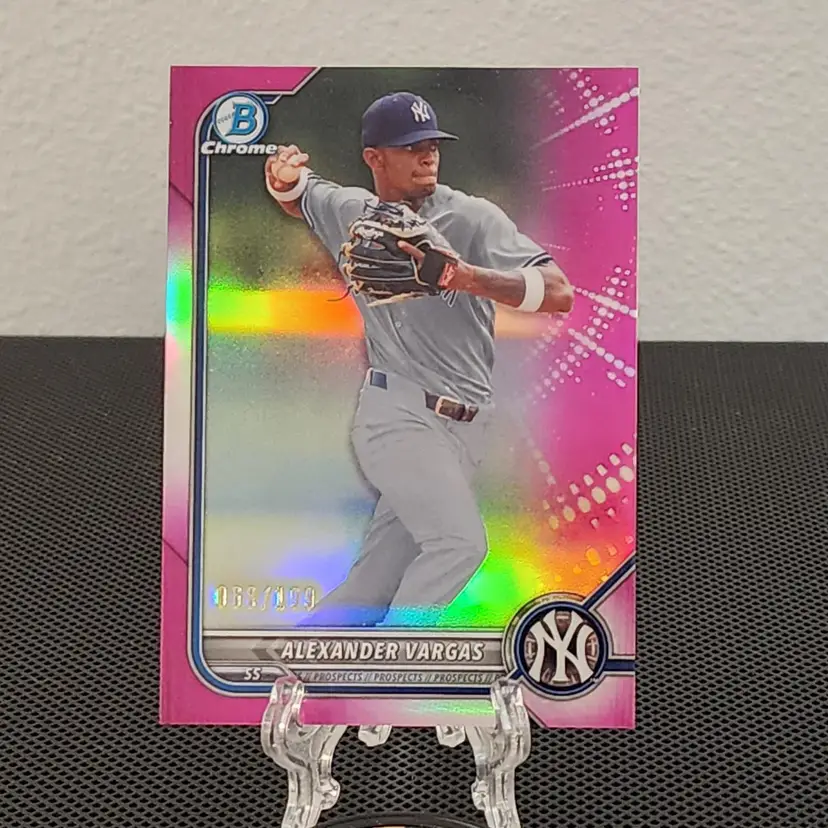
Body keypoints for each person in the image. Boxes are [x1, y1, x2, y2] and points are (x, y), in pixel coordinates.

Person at [264, 91, 574, 627]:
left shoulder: (472, 218)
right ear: (374, 157)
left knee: (371, 585)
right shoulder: (353, 213)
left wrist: (465, 276)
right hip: (397, 416)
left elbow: (559, 293)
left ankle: (294, 661)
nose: (427, 154)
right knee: (459, 545)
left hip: (467, 427)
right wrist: (281, 177)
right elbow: (299, 195)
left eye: (432, 143)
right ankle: (396, 660)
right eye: (410, 147)